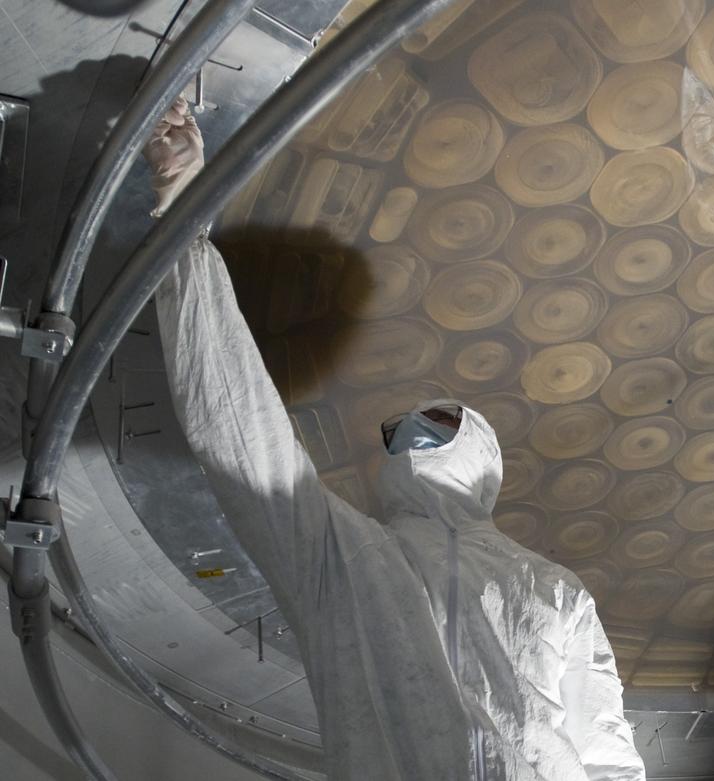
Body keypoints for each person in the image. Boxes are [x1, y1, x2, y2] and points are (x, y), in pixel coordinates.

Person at [146, 98, 645, 781]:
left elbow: (609, 752)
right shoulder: (341, 557)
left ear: (482, 453)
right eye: (396, 430)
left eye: (437, 424)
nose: (409, 435)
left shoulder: (552, 586)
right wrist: (183, 219)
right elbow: (239, 430)